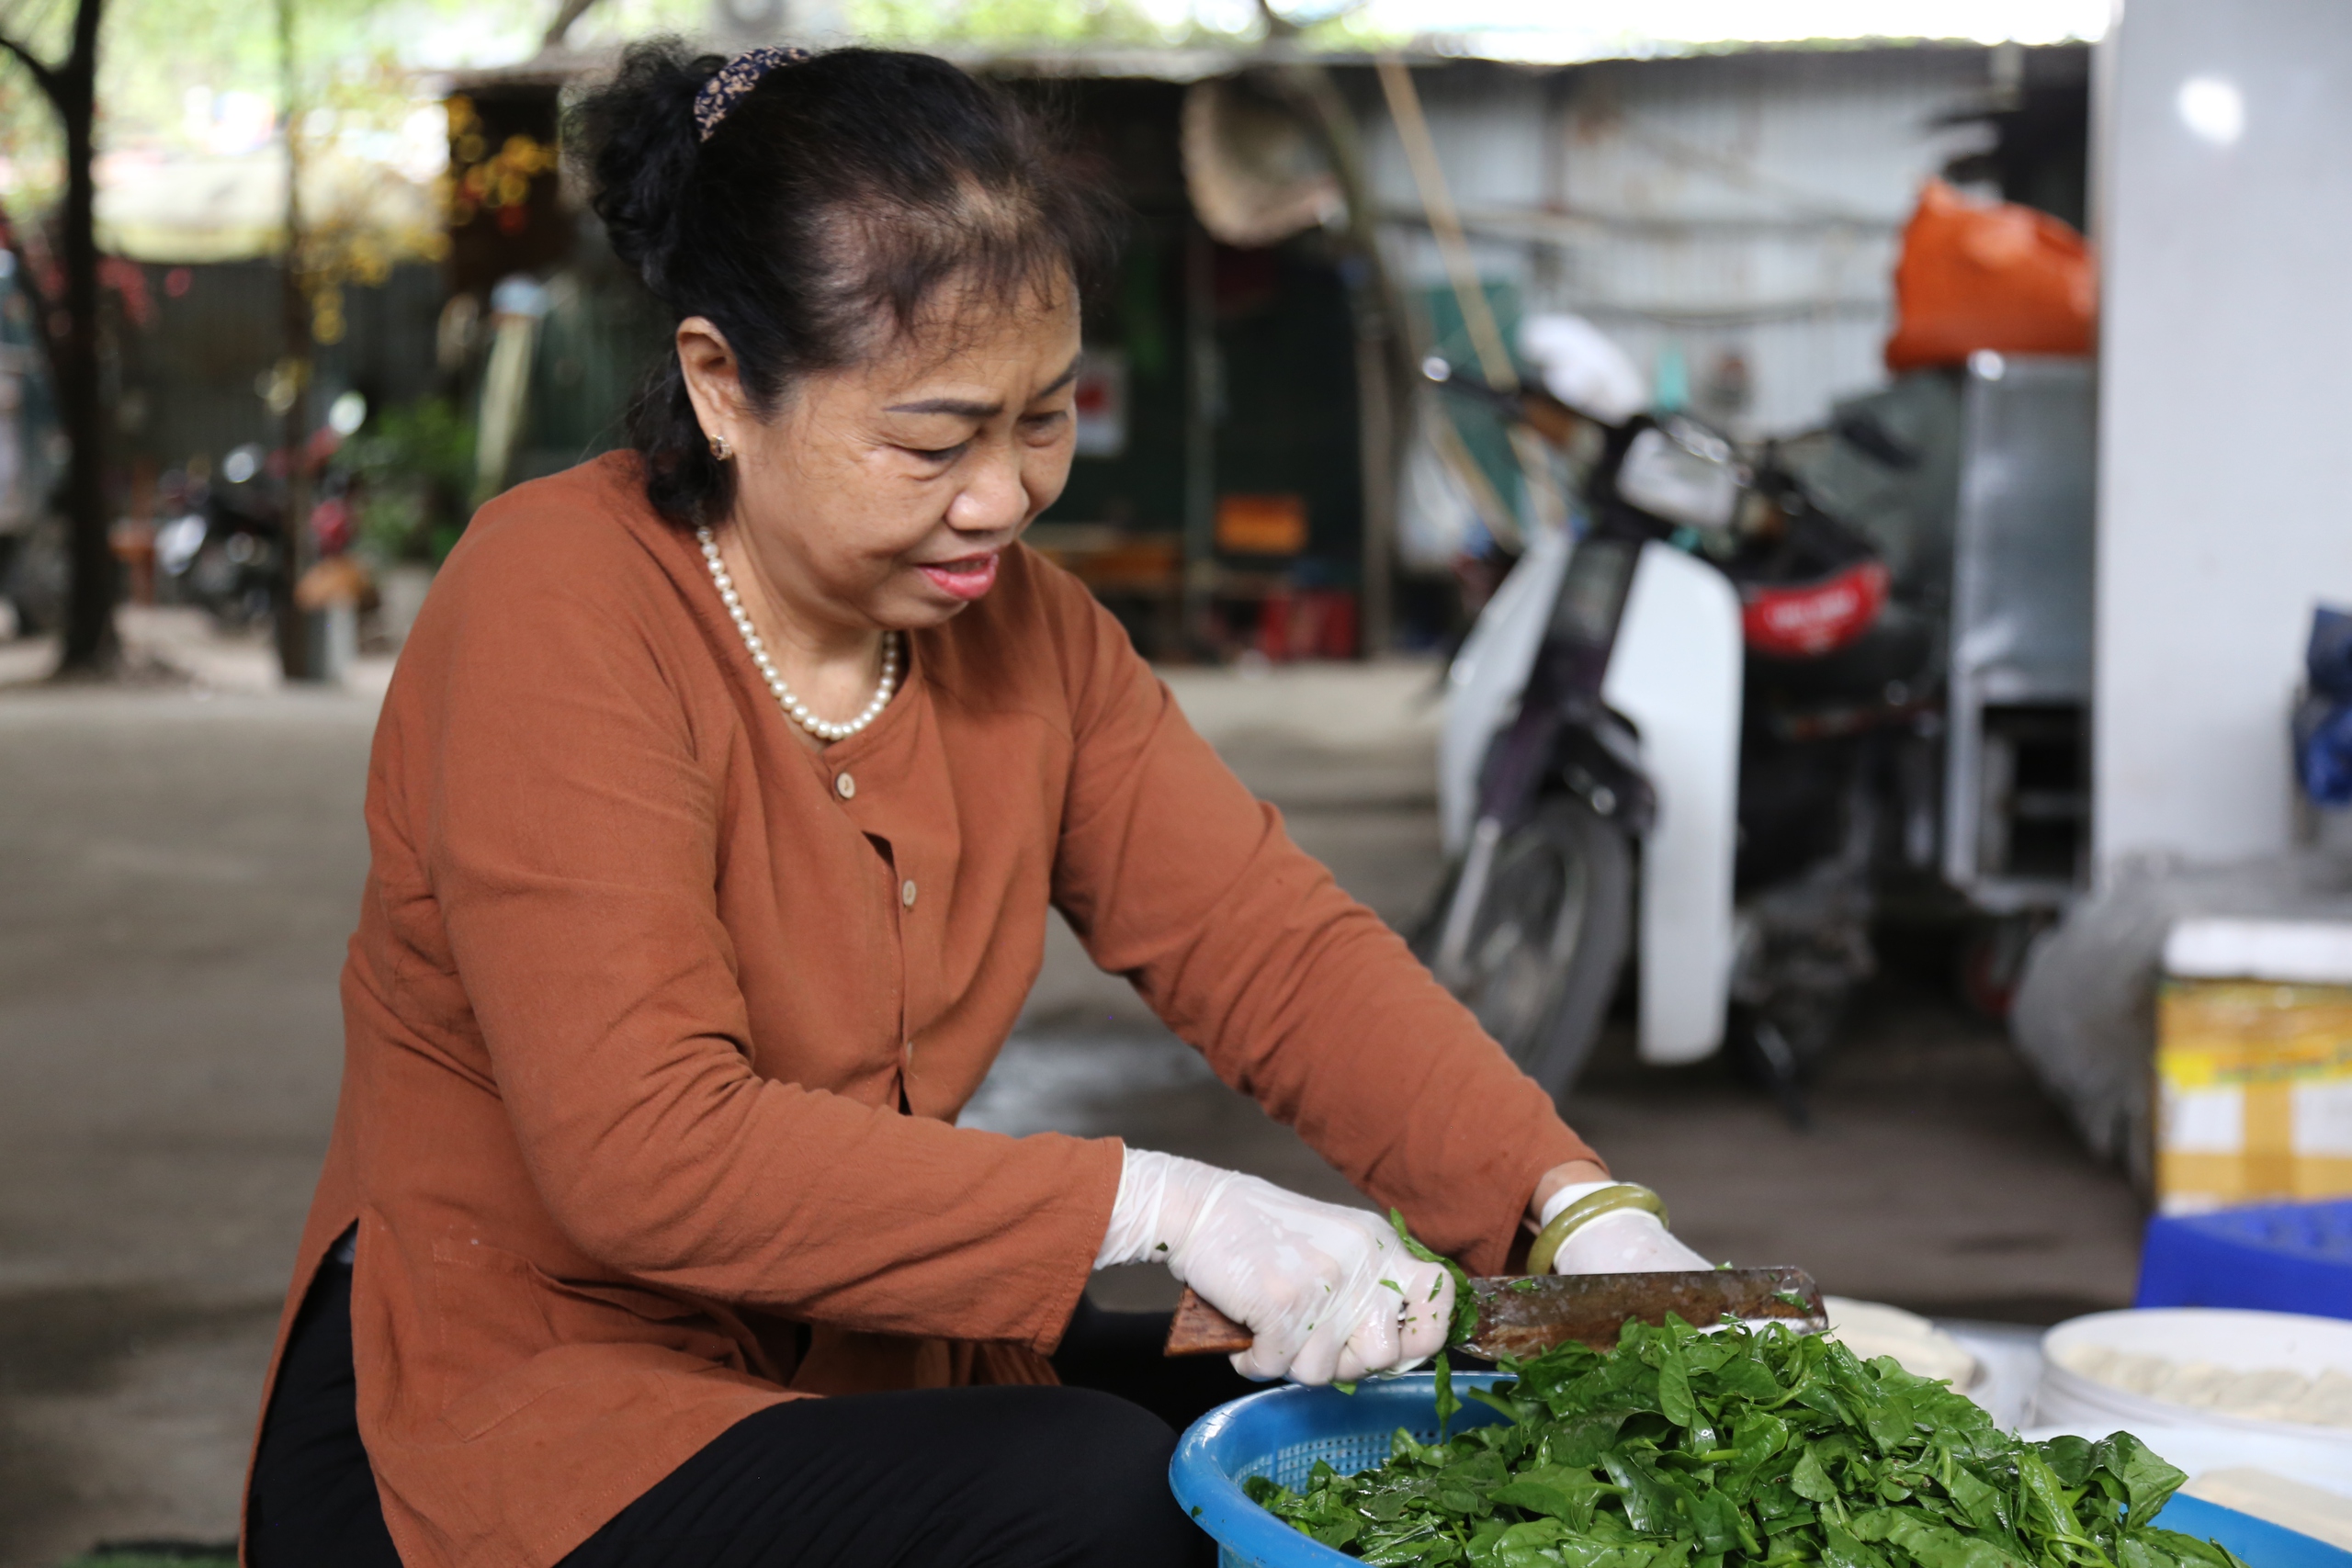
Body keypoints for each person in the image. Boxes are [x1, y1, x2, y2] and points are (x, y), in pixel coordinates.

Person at [241, 41, 1710, 1568]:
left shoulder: (1032, 634)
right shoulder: (556, 602)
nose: (1003, 496)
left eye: (1047, 419)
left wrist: (1568, 1213)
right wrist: (1162, 1206)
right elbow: (647, 1154)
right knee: (1090, 1486)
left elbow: (1270, 948)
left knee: (1325, 1392)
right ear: (721, 384)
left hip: (860, 1333)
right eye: (934, 440)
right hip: (521, 1410)